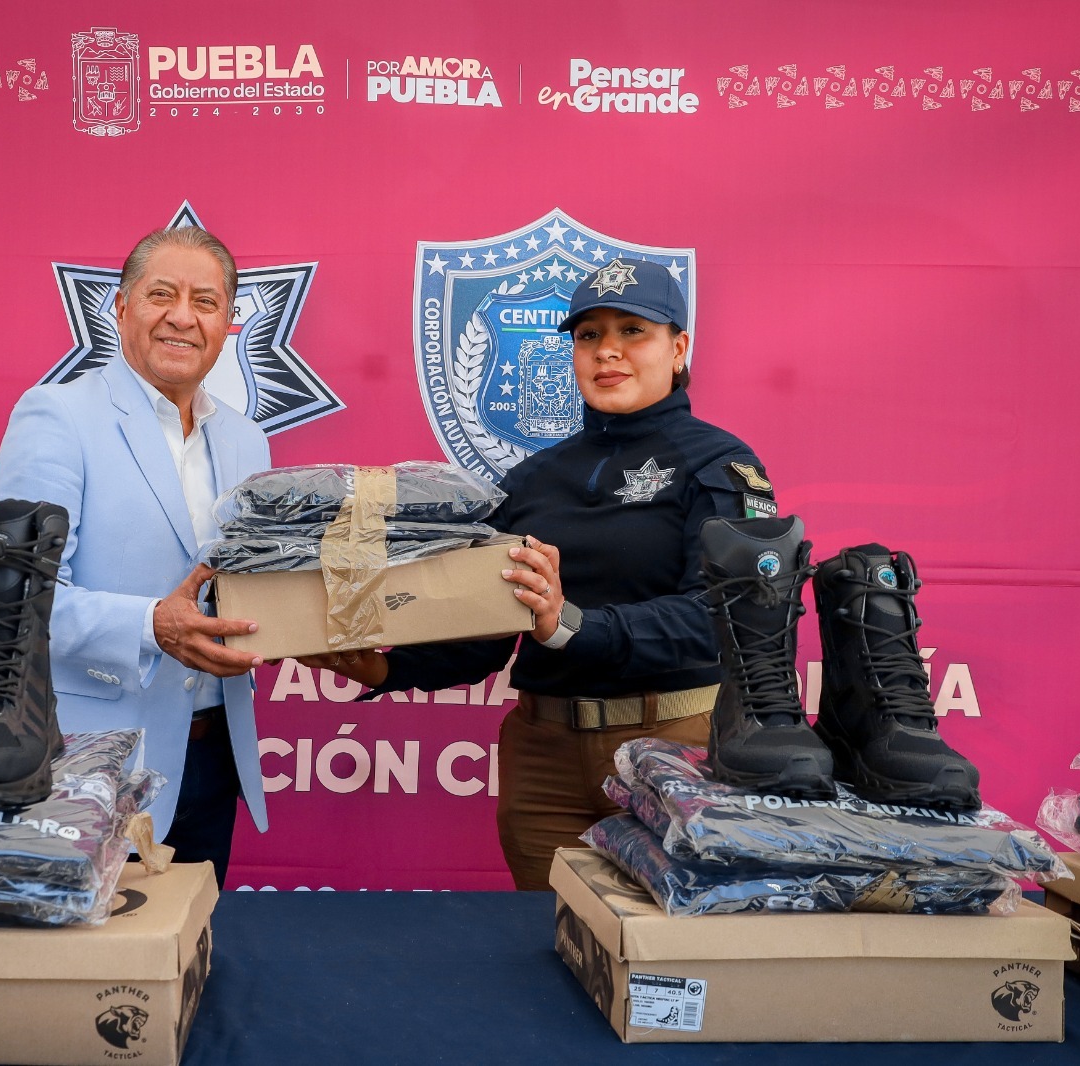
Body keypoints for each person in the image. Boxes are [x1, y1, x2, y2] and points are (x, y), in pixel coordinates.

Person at [309, 260, 777, 889]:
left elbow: (725, 619)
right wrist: (387, 668)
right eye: (588, 335)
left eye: (633, 330)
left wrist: (571, 624)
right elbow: (484, 633)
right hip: (544, 759)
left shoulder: (721, 463)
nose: (607, 350)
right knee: (550, 934)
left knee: (667, 941)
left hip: (672, 751)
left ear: (678, 348)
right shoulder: (530, 480)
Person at [0, 225, 269, 888]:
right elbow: (18, 597)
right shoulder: (57, 415)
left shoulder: (247, 439)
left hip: (213, 759)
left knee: (193, 944)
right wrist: (152, 625)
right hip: (86, 764)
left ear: (227, 322)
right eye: (161, 294)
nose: (183, 317)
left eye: (206, 302)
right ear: (121, 308)